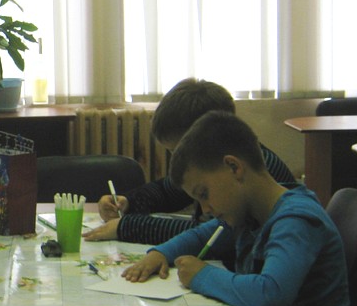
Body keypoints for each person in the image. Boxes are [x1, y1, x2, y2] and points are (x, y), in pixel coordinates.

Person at [121, 111, 350, 306]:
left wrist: (202, 275)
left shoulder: (296, 220)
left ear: (234, 167)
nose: (205, 209)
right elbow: (201, 237)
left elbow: (271, 293)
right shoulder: (249, 211)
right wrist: (161, 253)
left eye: (204, 194)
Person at [84, 78, 295, 245]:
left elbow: (214, 236)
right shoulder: (217, 161)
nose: (177, 160)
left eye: (178, 151)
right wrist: (127, 203)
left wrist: (127, 227)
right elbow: (168, 191)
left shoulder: (253, 172)